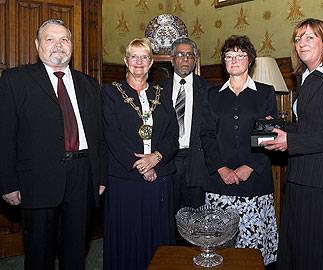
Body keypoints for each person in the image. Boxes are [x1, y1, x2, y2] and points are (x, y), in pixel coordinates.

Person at [0, 19, 106, 270]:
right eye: (50, 39)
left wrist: (100, 176)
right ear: (37, 45)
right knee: (39, 254)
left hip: (82, 177)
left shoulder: (89, 84)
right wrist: (7, 182)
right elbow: (4, 135)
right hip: (37, 178)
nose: (59, 45)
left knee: (76, 251)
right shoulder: (15, 80)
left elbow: (98, 136)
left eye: (65, 39)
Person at [262, 18, 323, 269]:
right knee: (293, 250)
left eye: (309, 37)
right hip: (296, 178)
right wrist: (280, 128)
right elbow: (309, 127)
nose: (301, 43)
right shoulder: (304, 79)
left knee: (316, 253)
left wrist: (290, 140)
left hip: (320, 182)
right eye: (297, 39)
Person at [200, 35, 278, 268]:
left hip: (255, 182)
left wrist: (249, 166)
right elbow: (206, 134)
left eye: (240, 55)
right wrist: (222, 169)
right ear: (224, 62)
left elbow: (267, 134)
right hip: (219, 183)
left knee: (252, 252)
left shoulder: (265, 92)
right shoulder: (212, 94)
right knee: (220, 250)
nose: (234, 60)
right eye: (229, 56)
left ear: (250, 60)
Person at [102, 38, 178, 270]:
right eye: (133, 56)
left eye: (144, 57)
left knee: (157, 236)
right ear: (126, 61)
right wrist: (141, 165)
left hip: (160, 176)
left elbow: (172, 134)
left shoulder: (161, 93)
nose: (138, 62)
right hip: (125, 179)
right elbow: (111, 135)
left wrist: (155, 158)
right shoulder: (110, 92)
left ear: (151, 62)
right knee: (127, 235)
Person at [159, 38, 212, 215]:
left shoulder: (209, 90)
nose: (185, 59)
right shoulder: (157, 90)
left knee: (196, 219)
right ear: (172, 59)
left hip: (197, 160)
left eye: (189, 55)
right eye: (180, 55)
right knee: (166, 215)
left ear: (195, 59)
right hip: (167, 160)